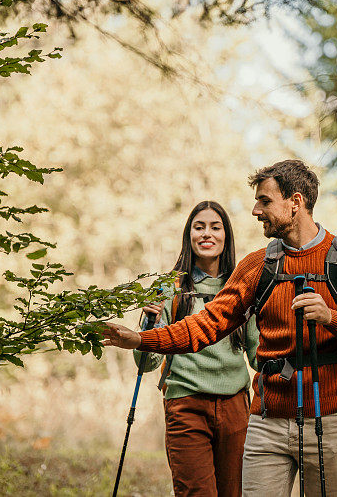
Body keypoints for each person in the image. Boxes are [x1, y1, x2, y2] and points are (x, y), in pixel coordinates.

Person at [104, 160, 337, 497]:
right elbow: (207, 324)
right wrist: (141, 338)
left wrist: (331, 317)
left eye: (265, 201)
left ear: (295, 202)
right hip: (265, 420)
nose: (256, 210)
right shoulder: (257, 265)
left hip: (328, 419)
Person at [132, 200, 259, 497]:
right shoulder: (169, 287)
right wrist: (148, 325)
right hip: (186, 405)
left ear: (226, 236)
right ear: (188, 235)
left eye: (215, 227)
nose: (207, 234)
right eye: (199, 227)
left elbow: (257, 354)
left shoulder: (242, 286)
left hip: (236, 408)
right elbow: (145, 364)